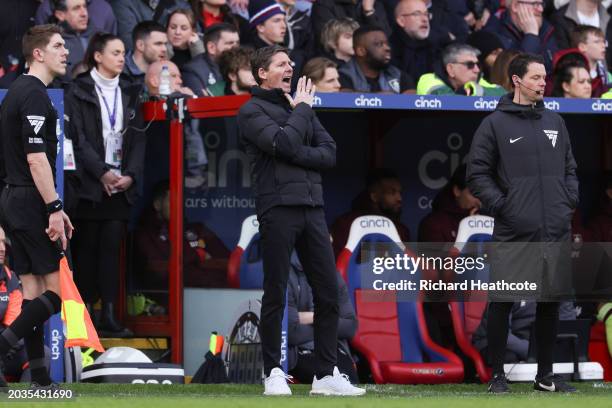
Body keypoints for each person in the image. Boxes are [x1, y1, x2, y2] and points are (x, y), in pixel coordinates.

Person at [237, 45, 365, 396]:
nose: (290, 67)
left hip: (312, 207)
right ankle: (273, 372)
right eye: (281, 63)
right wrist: (303, 113)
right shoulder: (252, 110)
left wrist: (300, 123)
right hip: (277, 207)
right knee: (275, 291)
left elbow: (329, 153)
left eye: (291, 62)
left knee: (327, 292)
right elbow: (283, 143)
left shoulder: (299, 107)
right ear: (263, 73)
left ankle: (325, 375)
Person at [467, 53, 579, 393]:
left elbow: (570, 169)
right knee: (503, 301)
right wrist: (505, 205)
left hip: (555, 229)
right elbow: (477, 174)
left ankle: (544, 376)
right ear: (516, 80)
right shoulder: (494, 124)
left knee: (549, 302)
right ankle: (497, 376)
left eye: (544, 77)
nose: (543, 82)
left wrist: (567, 202)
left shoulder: (555, 121)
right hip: (514, 229)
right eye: (535, 77)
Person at [0, 24, 74, 390]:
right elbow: (36, 159)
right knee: (57, 293)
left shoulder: (18, 92)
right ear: (38, 54)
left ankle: (41, 379)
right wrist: (54, 207)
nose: (66, 51)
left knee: (31, 292)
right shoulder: (32, 95)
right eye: (59, 45)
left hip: (16, 198)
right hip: (30, 199)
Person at [66, 32, 145, 338]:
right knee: (86, 250)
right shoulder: (78, 89)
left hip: (121, 184)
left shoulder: (130, 89)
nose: (121, 57)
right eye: (115, 52)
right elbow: (78, 137)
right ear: (97, 56)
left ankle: (109, 314)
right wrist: (101, 172)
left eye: (123, 52)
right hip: (89, 184)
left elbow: (138, 136)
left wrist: (131, 175)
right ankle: (84, 315)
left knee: (112, 250)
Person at [134, 181, 230, 290]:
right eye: (172, 200)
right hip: (172, 300)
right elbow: (160, 273)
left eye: (180, 200)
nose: (178, 205)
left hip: (215, 294)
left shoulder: (198, 230)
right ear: (157, 205)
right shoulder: (145, 235)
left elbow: (227, 262)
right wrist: (198, 256)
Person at [287, 254, 359, 384]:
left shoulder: (333, 275)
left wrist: (312, 317)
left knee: (348, 379)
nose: (329, 240)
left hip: (333, 348)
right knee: (330, 380)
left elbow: (350, 327)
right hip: (299, 352)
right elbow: (291, 333)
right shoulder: (286, 274)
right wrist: (329, 323)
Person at [331, 168, 410, 257]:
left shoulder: (401, 230)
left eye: (400, 193)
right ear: (374, 196)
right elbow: (337, 264)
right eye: (392, 193)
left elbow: (408, 265)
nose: (399, 198)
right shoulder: (347, 225)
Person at [472, 301, 577, 365]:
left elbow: (567, 328)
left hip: (534, 345)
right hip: (492, 342)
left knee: (572, 356)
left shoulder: (558, 285)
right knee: (510, 357)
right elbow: (503, 335)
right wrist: (534, 352)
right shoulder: (511, 280)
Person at [483, 0, 558, 70]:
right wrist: (531, 35)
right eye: (535, 4)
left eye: (541, 4)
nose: (541, 9)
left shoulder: (547, 28)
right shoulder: (494, 33)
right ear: (515, 6)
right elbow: (516, 72)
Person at [339, 25, 414, 93]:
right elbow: (344, 99)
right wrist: (380, 99)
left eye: (387, 43)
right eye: (379, 44)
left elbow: (412, 99)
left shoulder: (396, 74)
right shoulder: (342, 75)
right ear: (361, 51)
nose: (387, 48)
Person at [390, 0, 450, 82]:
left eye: (426, 14)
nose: (425, 19)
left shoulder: (437, 46)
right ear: (401, 21)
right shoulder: (390, 50)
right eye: (417, 14)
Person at [416, 43, 505, 95]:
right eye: (470, 65)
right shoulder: (428, 80)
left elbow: (502, 94)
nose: (477, 70)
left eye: (477, 64)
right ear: (451, 69)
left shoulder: (474, 82)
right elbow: (448, 102)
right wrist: (467, 93)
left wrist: (472, 90)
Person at [0, 226, 28, 387]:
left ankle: (22, 401)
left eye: (4, 242)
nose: (2, 248)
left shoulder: (10, 278)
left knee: (41, 353)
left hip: (4, 347)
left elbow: (14, 323)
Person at [181, 23, 240, 96]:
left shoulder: (244, 65)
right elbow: (200, 104)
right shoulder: (192, 71)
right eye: (230, 43)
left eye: (237, 43)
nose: (236, 48)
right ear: (211, 47)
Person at [51, 0, 97, 73]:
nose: (84, 13)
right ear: (60, 15)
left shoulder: (101, 36)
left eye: (85, 7)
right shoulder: (51, 44)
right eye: (76, 8)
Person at [312, 0, 392, 42]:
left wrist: (368, 12)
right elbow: (328, 40)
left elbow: (385, 39)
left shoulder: (373, 3)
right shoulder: (324, 4)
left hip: (371, 62)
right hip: (336, 64)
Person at [123, 21, 168, 86]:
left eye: (165, 44)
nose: (164, 49)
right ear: (140, 45)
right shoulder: (119, 72)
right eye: (158, 44)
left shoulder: (167, 72)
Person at [571, 25, 612, 96]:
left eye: (603, 42)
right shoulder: (571, 73)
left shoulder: (607, 76)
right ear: (582, 47)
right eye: (597, 42)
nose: (603, 45)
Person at [36, 0, 117, 35]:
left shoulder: (103, 8)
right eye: (76, 8)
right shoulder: (47, 8)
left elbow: (111, 46)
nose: (84, 14)